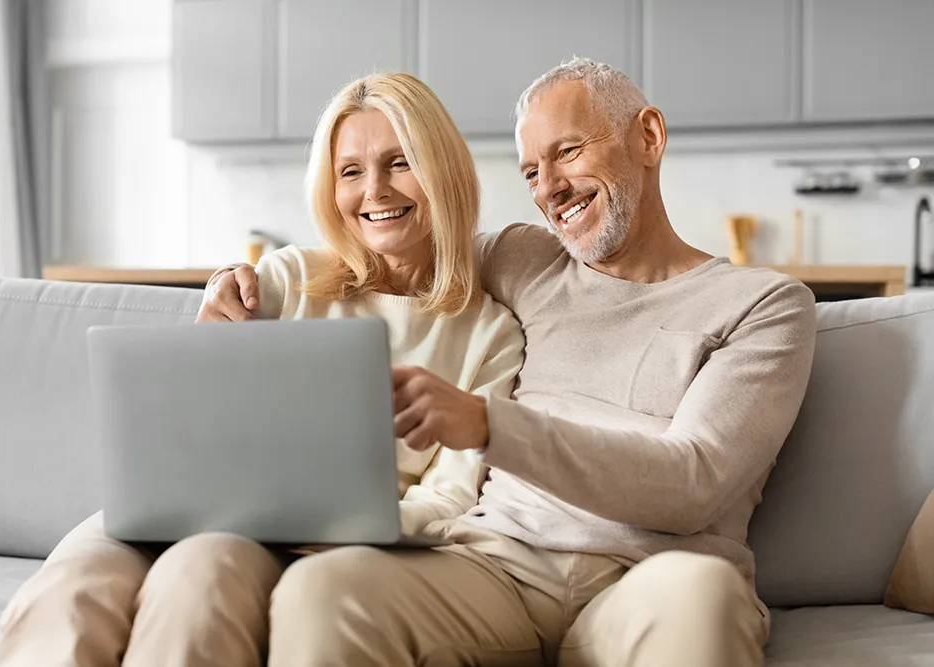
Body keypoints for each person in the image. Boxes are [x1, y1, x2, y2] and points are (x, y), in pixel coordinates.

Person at [203, 59, 817, 667]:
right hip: (495, 570)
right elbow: (394, 242)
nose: (549, 188)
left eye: (569, 151)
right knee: (325, 588)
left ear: (648, 137)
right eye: (530, 171)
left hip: (654, 582)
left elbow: (694, 484)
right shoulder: (524, 258)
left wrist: (491, 426)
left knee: (704, 597)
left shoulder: (764, 305)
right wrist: (246, 283)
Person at [0, 72, 525, 667]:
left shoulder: (489, 334)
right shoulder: (288, 276)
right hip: (182, 503)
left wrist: (352, 525)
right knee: (68, 593)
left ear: (443, 171)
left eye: (400, 163)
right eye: (350, 171)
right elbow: (188, 413)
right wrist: (209, 328)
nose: (374, 190)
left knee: (199, 579)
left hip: (306, 543)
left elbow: (450, 496)